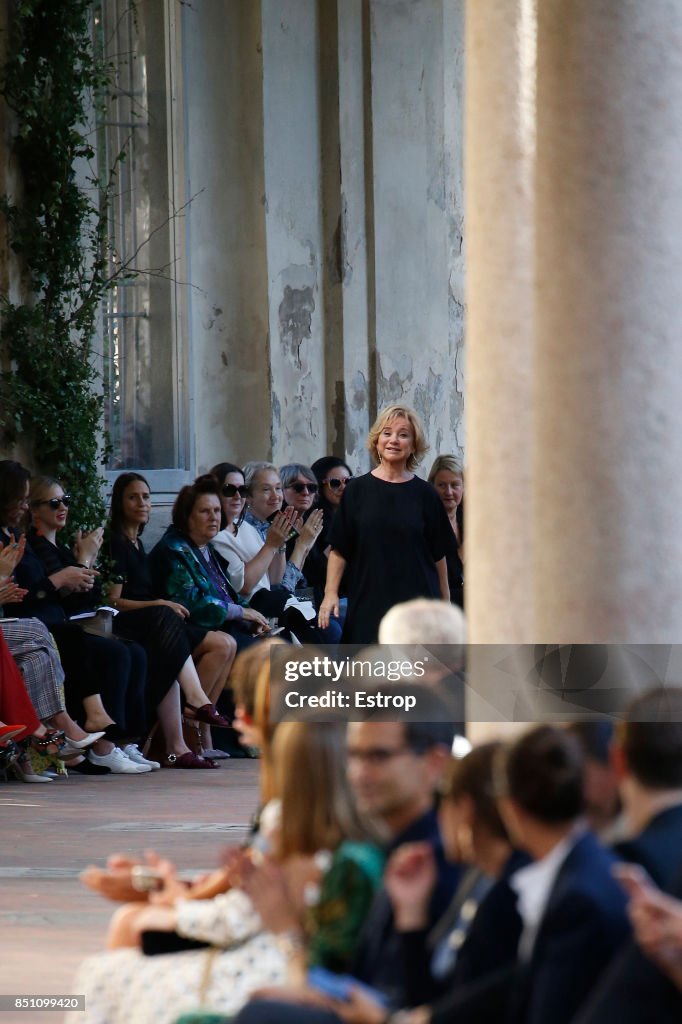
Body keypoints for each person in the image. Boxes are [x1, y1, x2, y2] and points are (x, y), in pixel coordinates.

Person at [70, 721, 385, 1024]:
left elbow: (236, 918)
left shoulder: (286, 829)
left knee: (104, 971)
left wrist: (174, 908)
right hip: (299, 967)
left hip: (265, 968)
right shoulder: (360, 830)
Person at [232, 718, 461, 1024]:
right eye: (353, 756)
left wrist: (288, 933)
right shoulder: (393, 847)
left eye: (378, 757)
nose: (360, 773)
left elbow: (401, 996)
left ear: (434, 763)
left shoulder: (428, 858)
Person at [0, 460, 148, 775]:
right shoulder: (30, 543)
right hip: (29, 623)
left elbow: (73, 595)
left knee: (44, 652)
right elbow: (30, 593)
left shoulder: (17, 536)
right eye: (53, 503)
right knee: (57, 636)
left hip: (38, 626)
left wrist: (80, 565)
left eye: (65, 501)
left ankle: (45, 748)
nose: (62, 508)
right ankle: (67, 730)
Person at [107, 472, 236, 766]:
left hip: (156, 622)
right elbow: (112, 599)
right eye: (133, 497)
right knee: (191, 635)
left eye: (146, 497)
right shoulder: (115, 543)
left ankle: (183, 739)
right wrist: (158, 603)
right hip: (128, 623)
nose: (142, 503)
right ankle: (193, 710)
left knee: (219, 642)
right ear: (118, 503)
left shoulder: (137, 543)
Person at [319, 405, 455, 645]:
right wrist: (330, 593)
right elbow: (340, 549)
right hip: (368, 602)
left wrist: (445, 607)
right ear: (377, 440)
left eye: (403, 434)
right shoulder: (356, 490)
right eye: (387, 433)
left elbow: (438, 557)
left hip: (418, 605)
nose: (394, 440)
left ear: (413, 445)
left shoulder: (426, 495)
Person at [149, 474, 270, 651]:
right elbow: (192, 603)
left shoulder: (206, 546)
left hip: (226, 629)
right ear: (187, 515)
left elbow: (229, 593)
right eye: (205, 511)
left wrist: (253, 619)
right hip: (193, 634)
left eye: (217, 510)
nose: (214, 517)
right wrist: (241, 613)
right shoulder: (173, 548)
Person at [427, 455, 464, 608]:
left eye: (455, 485)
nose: (448, 492)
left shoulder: (472, 519)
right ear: (432, 487)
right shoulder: (427, 523)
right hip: (441, 606)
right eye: (442, 485)